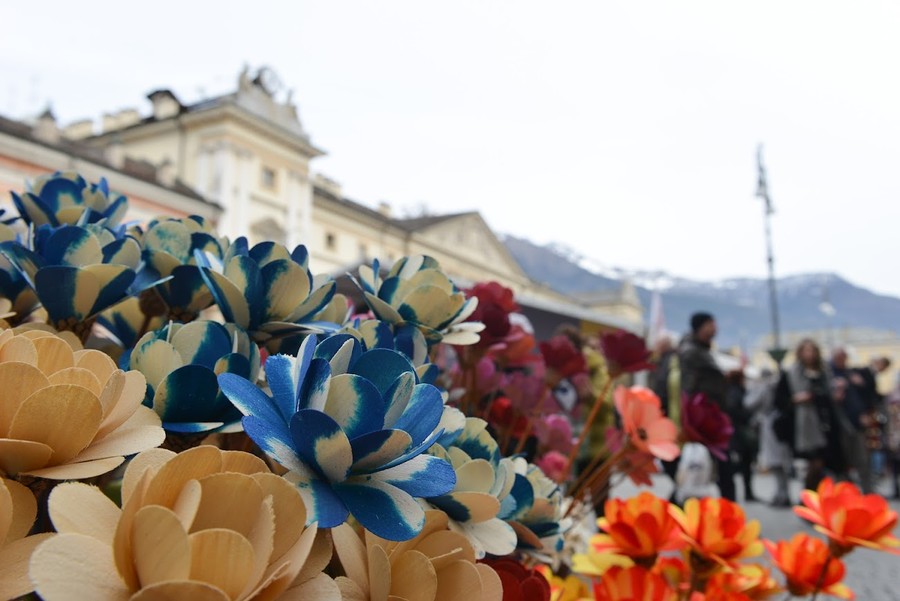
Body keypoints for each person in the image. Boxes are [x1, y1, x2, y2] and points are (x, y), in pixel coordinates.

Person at [678, 312, 735, 500]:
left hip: (710, 417)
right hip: (705, 420)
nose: (715, 328)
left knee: (711, 467)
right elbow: (691, 388)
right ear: (699, 327)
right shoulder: (692, 352)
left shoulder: (701, 350)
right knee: (713, 465)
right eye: (710, 324)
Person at [786, 339, 842, 491]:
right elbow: (793, 395)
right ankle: (808, 496)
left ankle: (815, 496)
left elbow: (829, 392)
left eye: (812, 350)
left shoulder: (823, 371)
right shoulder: (795, 371)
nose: (809, 354)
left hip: (825, 420)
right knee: (814, 461)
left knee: (822, 461)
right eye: (806, 350)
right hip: (806, 422)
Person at [830, 348, 873, 493]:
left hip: (857, 424)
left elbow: (865, 397)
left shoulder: (851, 374)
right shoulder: (829, 375)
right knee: (842, 463)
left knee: (862, 461)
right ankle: (843, 494)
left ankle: (867, 493)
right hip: (839, 426)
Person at [749, 368, 793, 506]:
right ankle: (782, 493)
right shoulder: (777, 385)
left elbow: (749, 403)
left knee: (775, 462)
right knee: (780, 462)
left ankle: (782, 494)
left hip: (770, 425)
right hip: (778, 425)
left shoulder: (766, 387)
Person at [650, 336, 681, 486]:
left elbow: (661, 392)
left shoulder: (669, 362)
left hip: (669, 418)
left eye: (658, 344)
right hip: (669, 418)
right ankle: (679, 492)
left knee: (671, 458)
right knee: (670, 457)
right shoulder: (663, 362)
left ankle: (679, 494)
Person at [725, 369, 759, 502]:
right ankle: (747, 492)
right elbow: (736, 410)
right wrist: (746, 416)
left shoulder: (731, 391)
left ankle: (748, 492)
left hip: (737, 433)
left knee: (743, 463)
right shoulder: (736, 392)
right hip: (740, 433)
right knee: (743, 464)